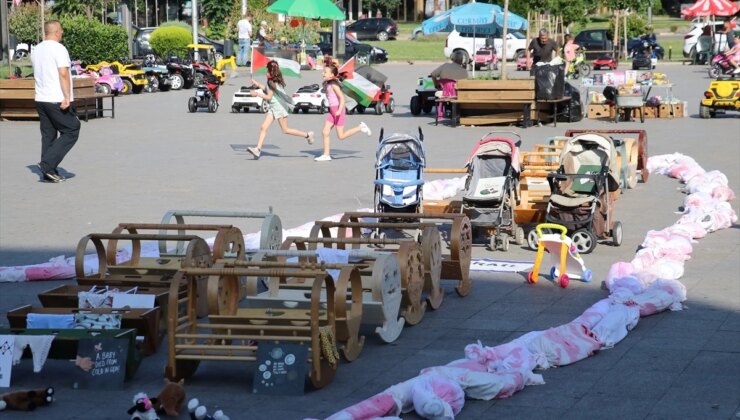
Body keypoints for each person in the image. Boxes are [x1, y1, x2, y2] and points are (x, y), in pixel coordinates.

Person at [32, 20, 79, 183]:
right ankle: (47, 164)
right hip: (56, 99)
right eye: (61, 31)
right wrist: (66, 97)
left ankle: (48, 172)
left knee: (48, 134)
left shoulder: (37, 49)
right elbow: (63, 73)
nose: (63, 33)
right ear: (57, 32)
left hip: (41, 98)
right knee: (72, 129)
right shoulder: (59, 49)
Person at [247, 60, 314, 159]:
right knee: (263, 127)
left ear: (271, 71)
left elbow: (269, 96)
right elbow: (267, 89)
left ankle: (307, 135)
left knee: (285, 130)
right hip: (273, 107)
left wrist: (256, 94)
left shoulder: (272, 82)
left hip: (279, 107)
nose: (266, 72)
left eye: (267, 70)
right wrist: (256, 83)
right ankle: (257, 150)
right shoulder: (272, 81)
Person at [316, 63, 372, 162]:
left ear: (332, 75)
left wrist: (338, 110)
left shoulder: (334, 84)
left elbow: (341, 98)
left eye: (325, 72)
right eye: (323, 72)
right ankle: (326, 155)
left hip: (338, 111)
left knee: (341, 136)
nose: (323, 73)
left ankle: (360, 127)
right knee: (325, 132)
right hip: (332, 112)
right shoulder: (328, 83)